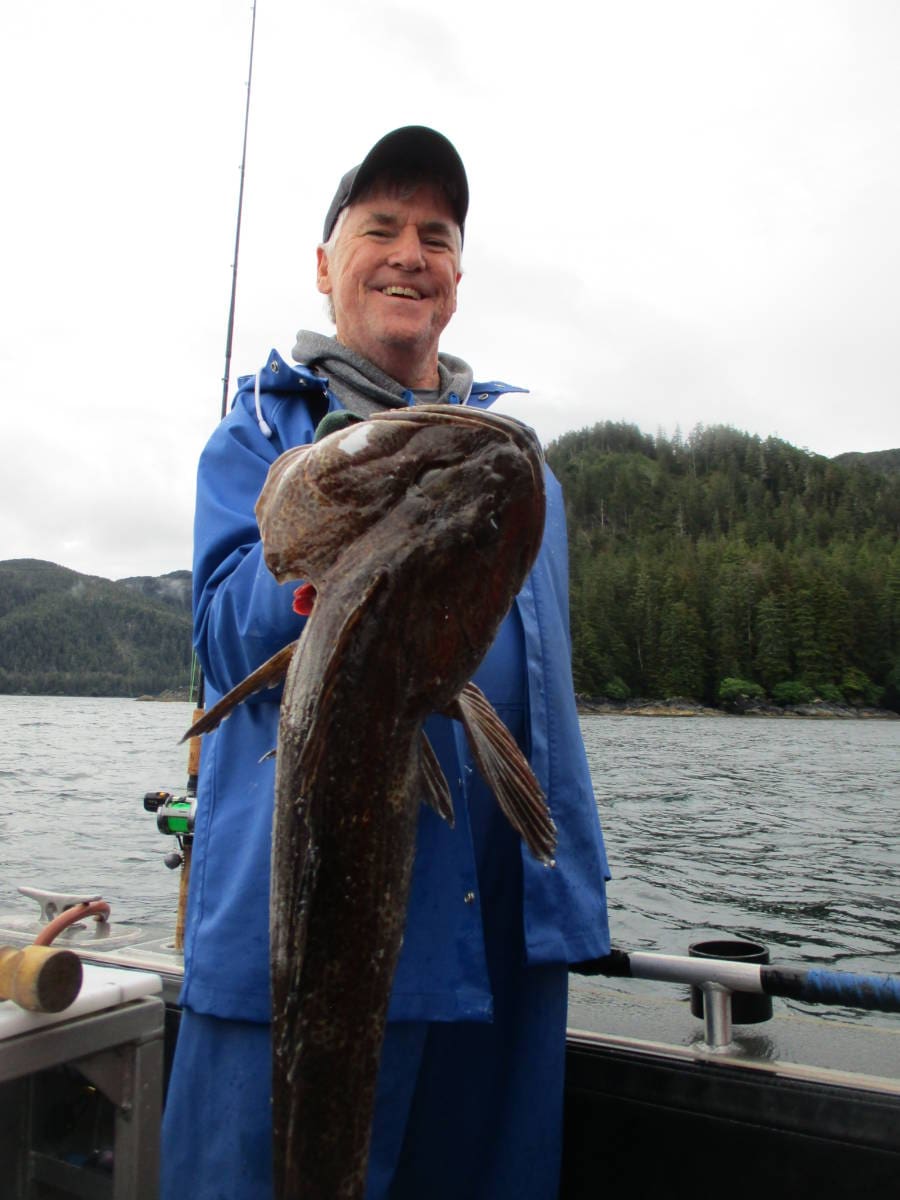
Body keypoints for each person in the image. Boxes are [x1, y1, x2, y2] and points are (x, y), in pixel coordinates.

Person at [161, 126, 611, 1200]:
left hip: (501, 939)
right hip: (294, 933)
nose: (411, 253)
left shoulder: (515, 467)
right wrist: (330, 553)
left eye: (437, 237)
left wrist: (565, 902)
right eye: (382, 228)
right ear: (326, 266)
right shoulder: (258, 435)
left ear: (456, 280)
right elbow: (225, 634)